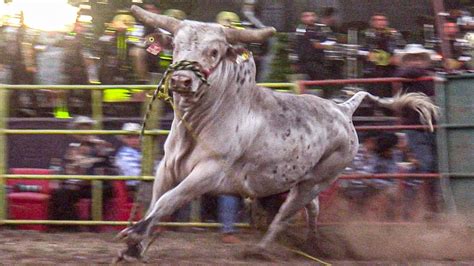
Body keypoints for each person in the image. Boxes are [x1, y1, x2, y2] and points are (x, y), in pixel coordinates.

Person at [48, 116, 116, 230]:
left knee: (103, 190)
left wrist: (98, 147)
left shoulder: (100, 145)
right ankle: (71, 226)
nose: (84, 131)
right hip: (76, 184)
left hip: (97, 183)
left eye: (87, 128)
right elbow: (60, 166)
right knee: (60, 193)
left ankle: (93, 226)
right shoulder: (70, 146)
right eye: (80, 128)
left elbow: (109, 163)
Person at [362, 13, 404, 97]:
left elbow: (401, 48)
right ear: (372, 22)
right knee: (372, 93)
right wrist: (368, 55)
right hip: (372, 70)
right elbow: (360, 50)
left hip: (390, 69)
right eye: (377, 20)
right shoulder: (365, 34)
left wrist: (396, 57)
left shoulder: (394, 34)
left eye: (383, 20)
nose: (380, 22)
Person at [294, 11, 334, 82]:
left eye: (312, 15)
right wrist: (324, 45)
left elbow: (331, 41)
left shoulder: (322, 28)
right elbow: (317, 45)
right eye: (306, 16)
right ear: (302, 19)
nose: (310, 18)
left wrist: (326, 45)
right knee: (321, 78)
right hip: (307, 61)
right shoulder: (301, 29)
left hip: (320, 60)